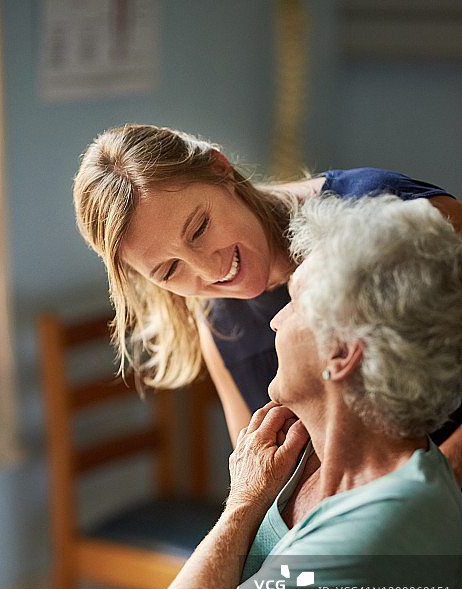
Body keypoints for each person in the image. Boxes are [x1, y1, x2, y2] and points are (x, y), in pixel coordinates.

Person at [48, 193, 462, 589]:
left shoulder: (385, 540)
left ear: (342, 353)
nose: (271, 320)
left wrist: (239, 509)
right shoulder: (293, 470)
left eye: (294, 303)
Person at [73, 123, 462, 485]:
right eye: (171, 269)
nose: (211, 269)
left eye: (200, 228)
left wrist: (425, 496)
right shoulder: (219, 324)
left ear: (220, 169)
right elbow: (262, 481)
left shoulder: (388, 211)